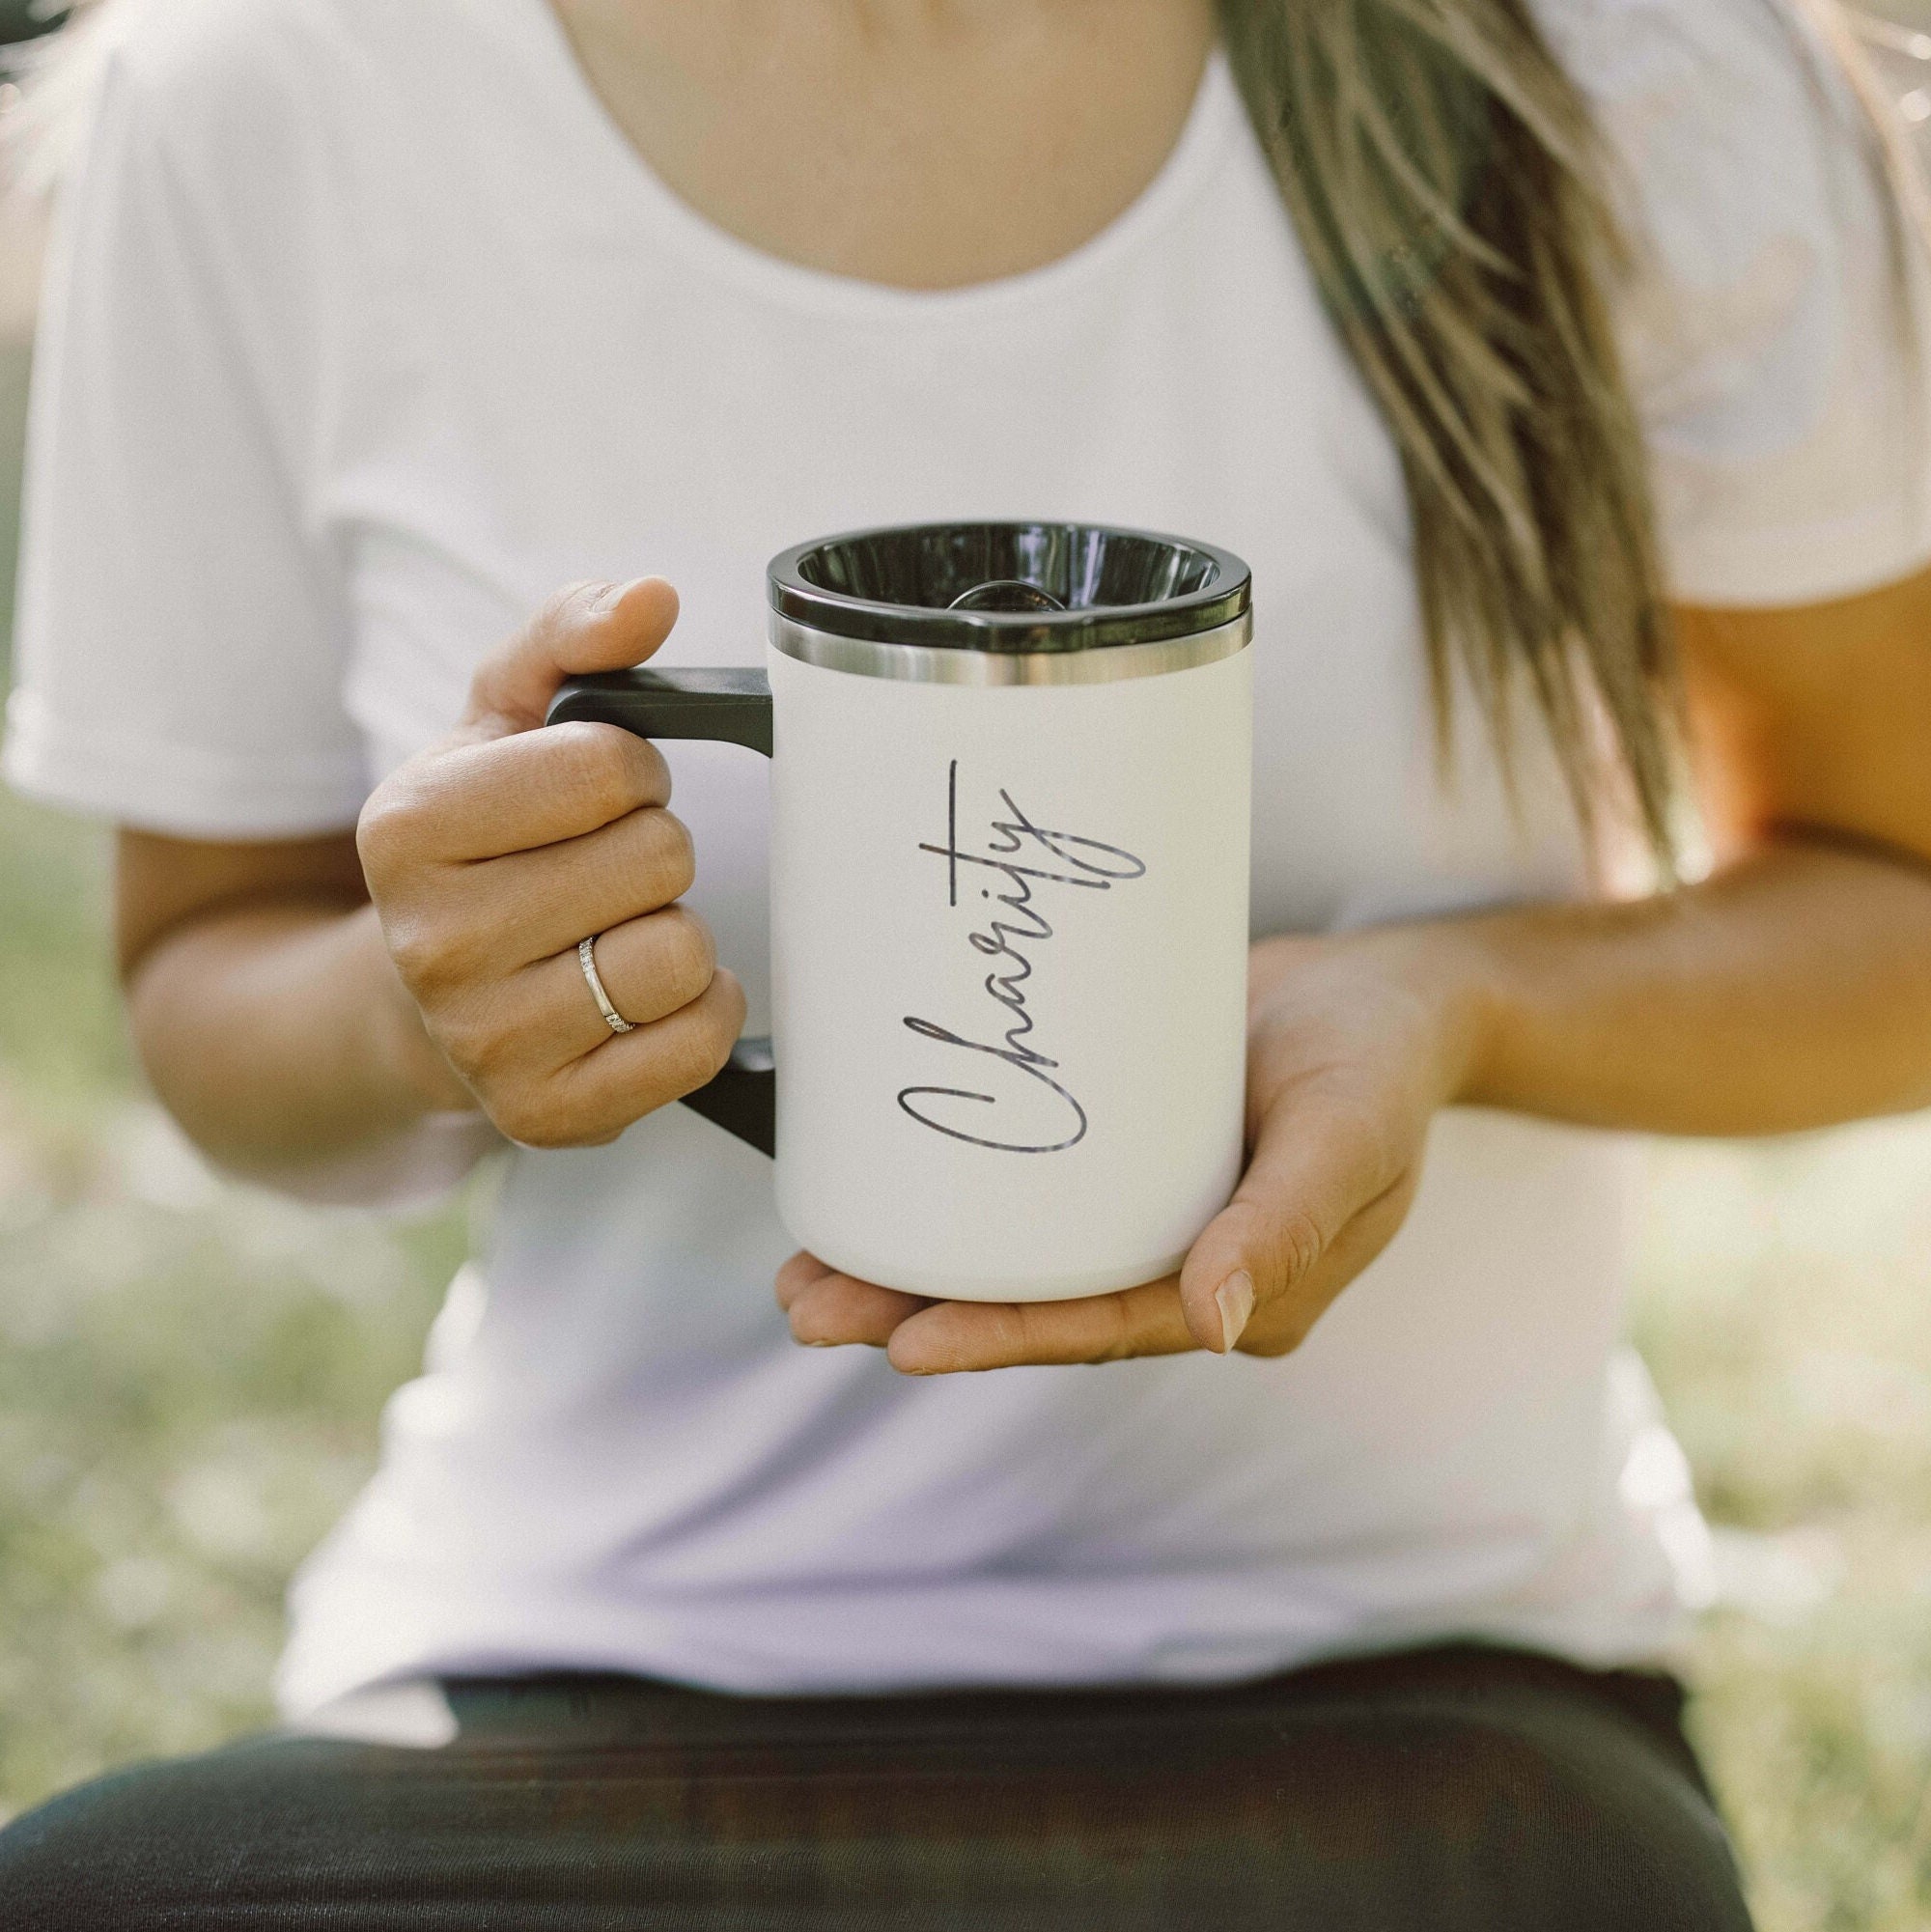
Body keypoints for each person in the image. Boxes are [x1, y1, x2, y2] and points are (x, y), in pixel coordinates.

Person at [3, 0, 1931, 1920]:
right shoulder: (263, 86)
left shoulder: (1628, 62)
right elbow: (206, 975)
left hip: (1426, 1694)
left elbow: (1892, 904)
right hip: (571, 1665)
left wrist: (1452, 1002)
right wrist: (421, 1012)